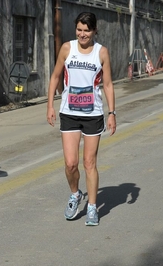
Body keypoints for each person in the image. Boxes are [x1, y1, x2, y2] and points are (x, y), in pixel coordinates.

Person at [47, 12, 116, 226]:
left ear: (94, 30)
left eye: (87, 30)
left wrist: (112, 113)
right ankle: (75, 194)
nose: (82, 34)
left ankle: (93, 207)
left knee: (89, 163)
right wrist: (50, 105)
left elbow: (107, 84)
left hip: (93, 114)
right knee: (70, 164)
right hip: (69, 112)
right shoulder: (67, 48)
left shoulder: (101, 52)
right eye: (79, 29)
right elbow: (56, 76)